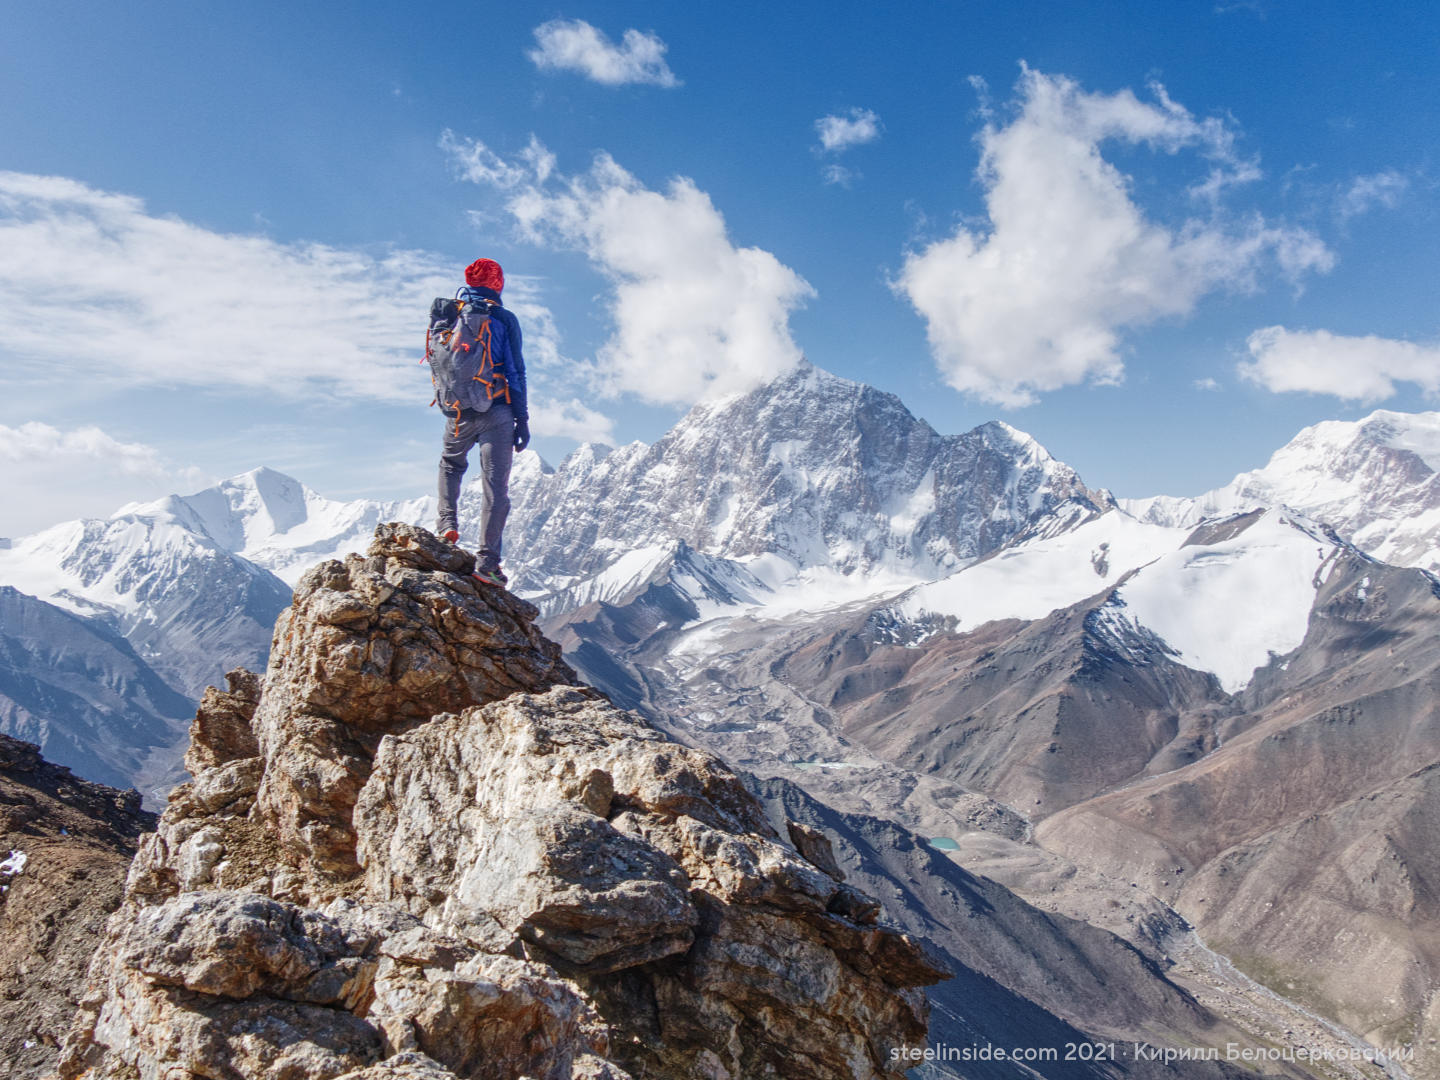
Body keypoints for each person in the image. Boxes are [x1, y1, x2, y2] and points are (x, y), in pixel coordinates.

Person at [435, 257, 530, 586]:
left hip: (457, 413)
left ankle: (446, 523)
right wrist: (522, 419)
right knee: (495, 489)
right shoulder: (504, 319)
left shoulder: (450, 316)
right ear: (498, 284)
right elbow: (516, 371)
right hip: (498, 413)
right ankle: (486, 563)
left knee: (450, 465)